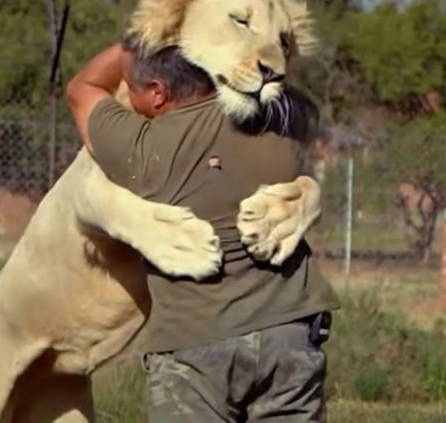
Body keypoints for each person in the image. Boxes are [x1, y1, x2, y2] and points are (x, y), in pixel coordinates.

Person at [66, 39, 340, 422]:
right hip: (289, 334)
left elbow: (82, 88)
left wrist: (136, 38)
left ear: (158, 93)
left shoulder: (143, 150)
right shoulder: (276, 120)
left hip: (195, 345)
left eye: (133, 90)